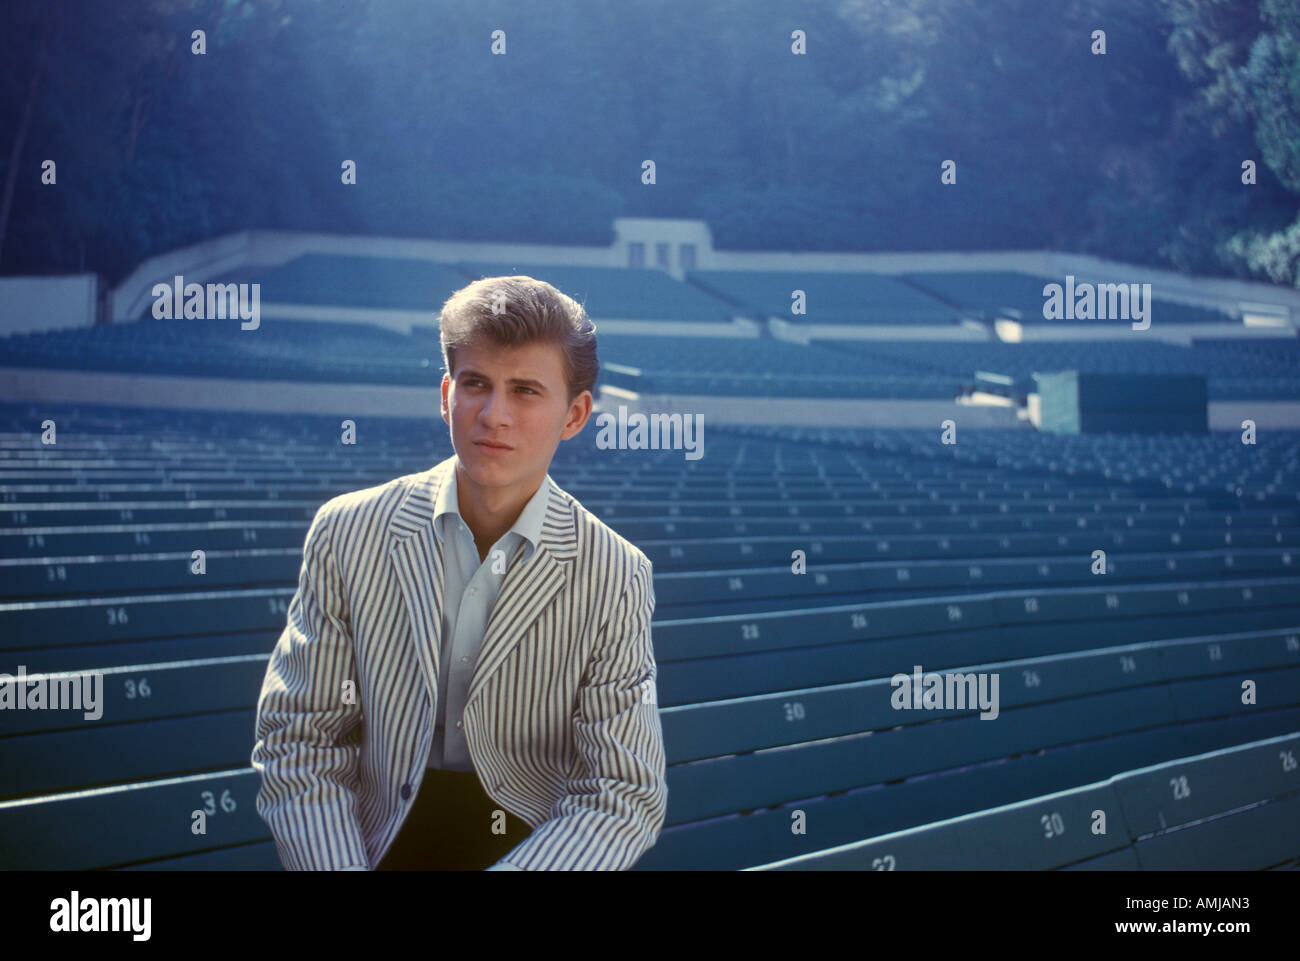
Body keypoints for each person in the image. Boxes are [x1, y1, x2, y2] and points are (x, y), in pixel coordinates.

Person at [250, 275, 668, 870]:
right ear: (447, 393)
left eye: (525, 391)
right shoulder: (347, 532)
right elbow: (301, 740)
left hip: (531, 843)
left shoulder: (615, 573)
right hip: (370, 839)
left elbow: (622, 790)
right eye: (477, 384)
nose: (494, 415)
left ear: (574, 415)